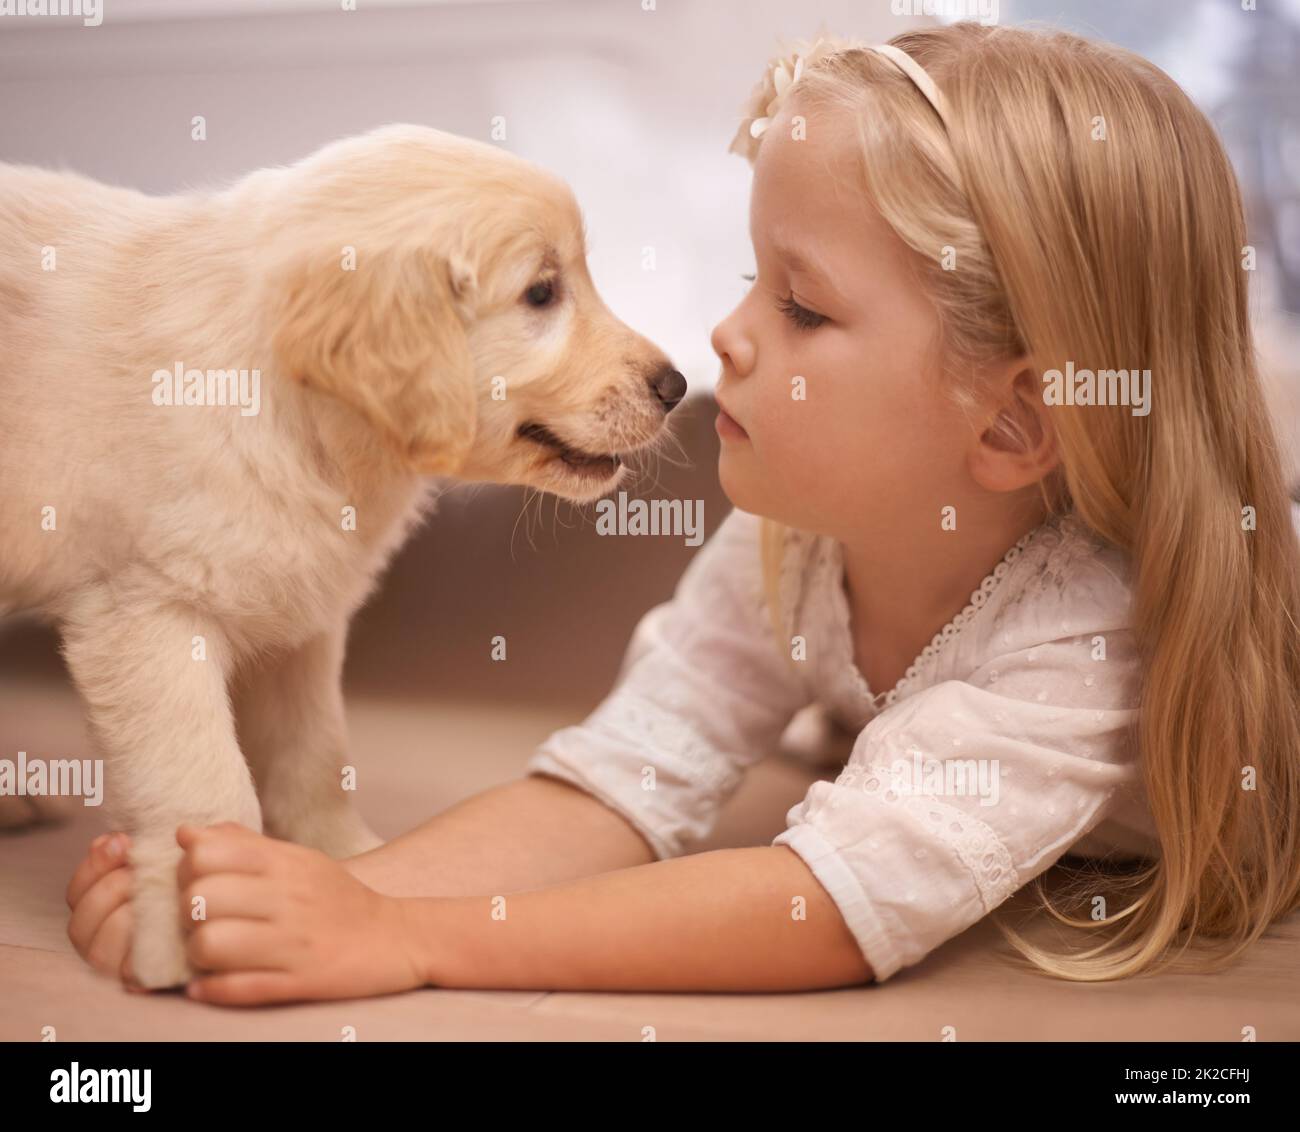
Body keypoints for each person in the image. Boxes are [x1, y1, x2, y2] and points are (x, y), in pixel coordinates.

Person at [66, 23, 1300, 1005]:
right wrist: (290, 896)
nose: (722, 336)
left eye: (801, 307)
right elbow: (619, 782)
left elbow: (822, 908)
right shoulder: (796, 531)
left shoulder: (1081, 650)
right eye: (754, 276)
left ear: (1010, 427)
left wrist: (405, 938)